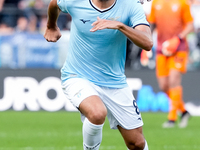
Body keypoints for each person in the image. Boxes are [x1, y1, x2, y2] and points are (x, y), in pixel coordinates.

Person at [44, 0, 153, 149]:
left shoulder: (130, 5)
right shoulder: (74, 1)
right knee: (97, 113)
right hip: (77, 76)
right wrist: (51, 26)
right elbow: (54, 4)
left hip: (115, 82)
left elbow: (147, 42)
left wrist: (120, 26)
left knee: (137, 144)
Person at [147, 0, 194, 128]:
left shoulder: (182, 2)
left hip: (179, 48)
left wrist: (178, 38)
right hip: (161, 49)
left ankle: (172, 119)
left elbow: (190, 25)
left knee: (174, 81)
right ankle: (184, 112)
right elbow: (152, 24)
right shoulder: (155, 2)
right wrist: (146, 44)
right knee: (163, 86)